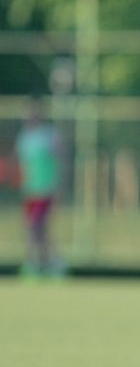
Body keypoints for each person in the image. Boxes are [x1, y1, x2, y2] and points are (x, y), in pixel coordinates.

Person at [14, 98, 66, 278]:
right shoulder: (24, 138)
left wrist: (59, 187)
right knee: (32, 228)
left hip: (46, 190)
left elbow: (60, 161)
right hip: (31, 191)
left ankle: (53, 263)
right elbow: (24, 166)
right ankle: (37, 264)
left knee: (40, 227)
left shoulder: (50, 135)